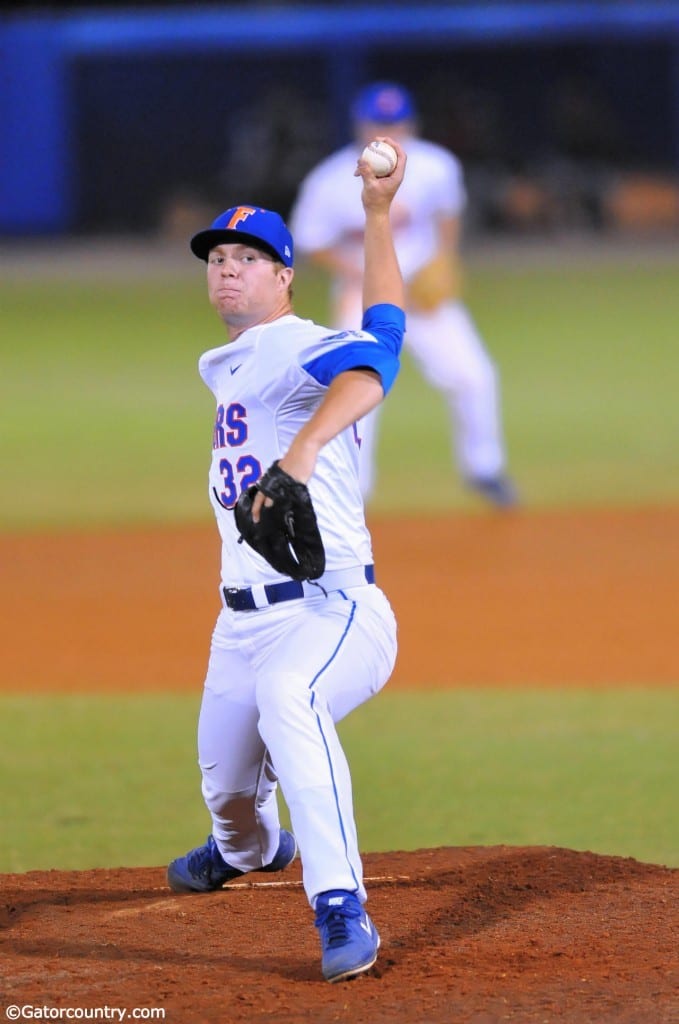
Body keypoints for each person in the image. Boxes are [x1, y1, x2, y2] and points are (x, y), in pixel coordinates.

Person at [166, 138, 408, 983]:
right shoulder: (231, 361)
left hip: (331, 611)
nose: (228, 270)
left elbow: (375, 365)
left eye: (250, 259)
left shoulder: (290, 344)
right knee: (230, 805)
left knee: (289, 699)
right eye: (219, 258)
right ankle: (255, 851)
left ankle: (341, 905)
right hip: (238, 625)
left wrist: (302, 452)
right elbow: (385, 322)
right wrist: (377, 216)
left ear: (285, 277)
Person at [289, 81, 518, 507]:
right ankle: (353, 490)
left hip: (426, 296)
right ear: (361, 125)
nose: (388, 130)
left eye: (395, 121)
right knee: (357, 391)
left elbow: (447, 214)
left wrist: (446, 260)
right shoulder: (329, 179)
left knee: (474, 374)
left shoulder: (436, 165)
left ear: (411, 123)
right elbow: (312, 239)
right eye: (379, 121)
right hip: (364, 296)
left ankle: (485, 469)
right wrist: (364, 274)